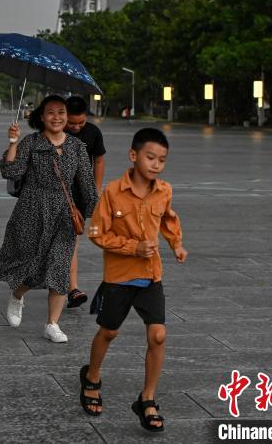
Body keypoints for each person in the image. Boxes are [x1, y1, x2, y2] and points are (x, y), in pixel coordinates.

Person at [79, 128, 187, 432]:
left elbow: (168, 219)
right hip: (119, 277)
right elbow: (97, 234)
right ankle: (92, 377)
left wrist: (176, 244)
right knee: (109, 332)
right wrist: (133, 247)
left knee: (158, 335)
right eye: (150, 157)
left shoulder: (164, 190)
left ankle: (147, 398)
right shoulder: (113, 191)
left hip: (151, 276)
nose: (155, 164)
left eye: (162, 160)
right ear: (133, 155)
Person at [0, 95, 98, 343]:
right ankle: (18, 295)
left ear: (67, 117)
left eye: (61, 112)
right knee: (33, 264)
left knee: (59, 267)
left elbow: (87, 186)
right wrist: (13, 142)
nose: (57, 117)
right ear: (41, 117)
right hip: (32, 210)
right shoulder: (31, 143)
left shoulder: (77, 148)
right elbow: (11, 171)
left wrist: (96, 214)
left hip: (64, 214)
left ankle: (52, 324)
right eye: (51, 113)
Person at [64, 96, 106, 309]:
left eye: (80, 122)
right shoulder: (54, 133)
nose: (76, 127)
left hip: (79, 194)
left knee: (72, 238)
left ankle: (73, 288)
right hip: (54, 193)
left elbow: (98, 160)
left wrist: (95, 190)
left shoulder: (92, 133)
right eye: (72, 123)